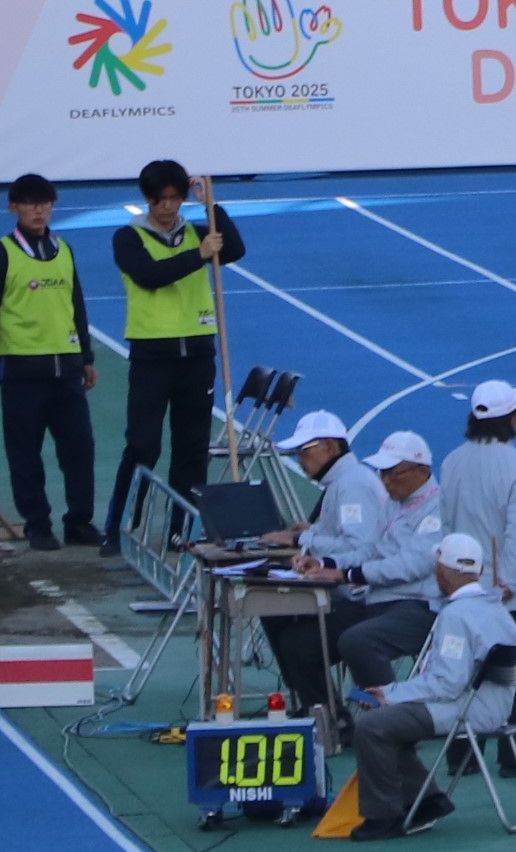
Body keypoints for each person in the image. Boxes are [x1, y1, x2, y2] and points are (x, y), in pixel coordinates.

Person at [103, 159, 246, 551]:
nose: (167, 207)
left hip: (197, 356)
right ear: (147, 200)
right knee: (143, 445)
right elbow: (150, 276)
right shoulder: (128, 238)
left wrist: (210, 205)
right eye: (159, 199)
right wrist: (197, 255)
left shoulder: (197, 231)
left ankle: (179, 532)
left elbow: (234, 247)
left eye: (174, 198)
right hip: (152, 357)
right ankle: (119, 527)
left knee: (191, 450)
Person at [343, 531, 516, 841]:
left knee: (373, 726)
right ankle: (425, 798)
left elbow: (447, 683)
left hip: (469, 709)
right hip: (496, 705)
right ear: (478, 571)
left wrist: (390, 694)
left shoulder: (455, 616)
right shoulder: (498, 609)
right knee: (392, 720)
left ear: (440, 570)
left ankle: (383, 816)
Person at [437, 379, 516, 775]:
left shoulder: (452, 461)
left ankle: (463, 756)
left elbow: (446, 524)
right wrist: (507, 581)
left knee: (463, 673)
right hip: (511, 594)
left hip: (462, 585)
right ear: (511, 419)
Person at [287, 430, 445, 693]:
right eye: (383, 473)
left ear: (422, 470)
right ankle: (330, 719)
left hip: (418, 606)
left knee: (357, 641)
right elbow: (369, 549)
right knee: (300, 642)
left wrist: (348, 575)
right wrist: (326, 564)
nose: (386, 481)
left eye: (394, 473)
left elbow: (410, 566)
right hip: (376, 600)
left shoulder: (439, 508)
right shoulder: (394, 504)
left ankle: (393, 719)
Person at [259, 409, 389, 716]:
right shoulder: (342, 482)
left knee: (297, 643)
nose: (300, 460)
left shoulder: (352, 485)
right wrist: (312, 532)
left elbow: (360, 547)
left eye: (304, 452)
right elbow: (345, 532)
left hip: (364, 599)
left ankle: (329, 718)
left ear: (331, 447)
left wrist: (301, 542)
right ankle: (311, 704)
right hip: (350, 594)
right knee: (275, 613)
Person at [0, 173, 98, 551]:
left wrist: (86, 357)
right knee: (25, 454)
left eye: (45, 203)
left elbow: (77, 305)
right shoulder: (5, 252)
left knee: (79, 448)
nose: (39, 211)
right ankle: (38, 526)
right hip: (22, 371)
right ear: (14, 208)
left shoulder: (65, 248)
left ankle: (79, 522)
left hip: (67, 371)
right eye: (30, 204)